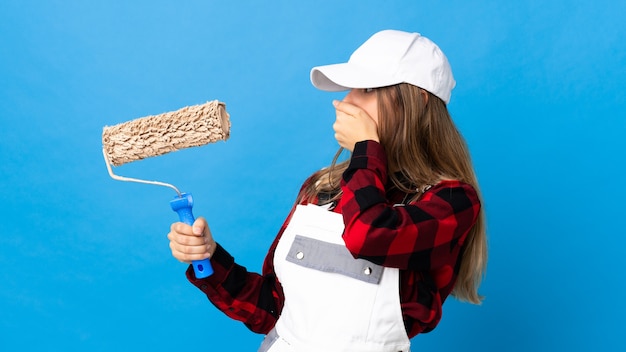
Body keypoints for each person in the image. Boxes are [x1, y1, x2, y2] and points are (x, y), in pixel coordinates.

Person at [167, 29, 487, 352]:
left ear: (416, 100)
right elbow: (273, 309)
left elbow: (369, 234)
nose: (345, 100)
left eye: (366, 88)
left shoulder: (451, 202)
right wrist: (208, 257)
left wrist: (366, 147)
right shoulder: (321, 190)